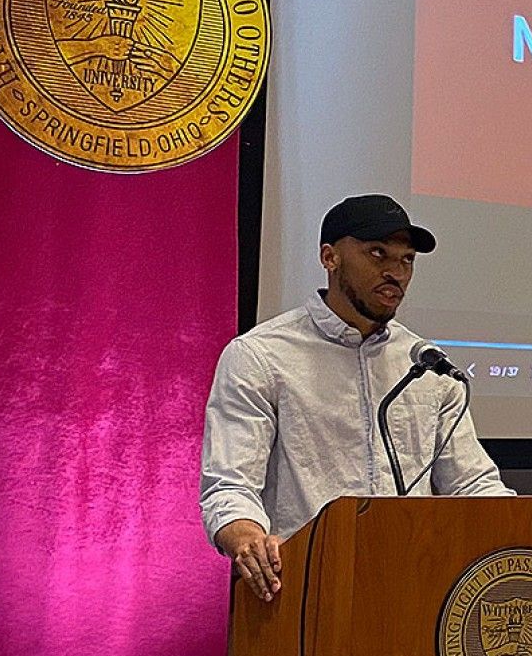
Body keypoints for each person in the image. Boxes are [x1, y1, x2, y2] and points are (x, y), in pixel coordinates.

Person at [200, 193, 514, 601]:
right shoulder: (261, 356)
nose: (395, 273)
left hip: (417, 587)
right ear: (330, 257)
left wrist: (521, 529)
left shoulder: (426, 365)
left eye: (406, 260)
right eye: (377, 253)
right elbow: (230, 485)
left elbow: (472, 484)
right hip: (304, 590)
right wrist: (246, 537)